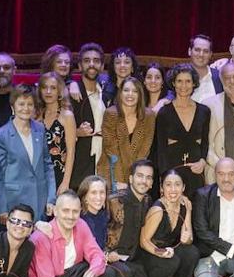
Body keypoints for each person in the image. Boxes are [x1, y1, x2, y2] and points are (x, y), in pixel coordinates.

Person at [104, 160, 167, 277]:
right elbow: (97, 231)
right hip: (112, 259)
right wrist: (105, 254)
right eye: (139, 176)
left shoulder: (147, 201)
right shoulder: (114, 201)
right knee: (124, 271)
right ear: (131, 178)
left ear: (152, 182)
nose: (143, 181)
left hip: (133, 261)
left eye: (148, 177)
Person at [0, 85, 56, 225]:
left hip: (40, 198)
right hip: (15, 201)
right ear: (12, 106)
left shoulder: (40, 129)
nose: (26, 108)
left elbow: (47, 165)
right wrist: (1, 208)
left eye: (30, 104)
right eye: (21, 104)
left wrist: (51, 198)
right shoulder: (2, 135)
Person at [139, 167, 200, 277]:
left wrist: (189, 211)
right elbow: (143, 241)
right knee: (172, 261)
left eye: (177, 184)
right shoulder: (157, 210)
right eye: (168, 185)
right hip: (151, 252)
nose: (173, 189)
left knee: (191, 252)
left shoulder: (184, 206)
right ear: (161, 188)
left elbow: (188, 239)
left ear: (183, 187)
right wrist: (159, 252)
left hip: (170, 251)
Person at [152, 63, 211, 200]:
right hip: (172, 174)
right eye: (179, 81)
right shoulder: (164, 112)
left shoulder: (204, 111)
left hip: (196, 173)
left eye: (188, 81)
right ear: (173, 83)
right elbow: (161, 149)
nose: (183, 86)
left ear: (194, 84)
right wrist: (165, 178)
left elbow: (205, 141)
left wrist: (202, 161)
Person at [102, 75, 156, 189]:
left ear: (140, 94)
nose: (130, 94)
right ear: (120, 93)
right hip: (111, 171)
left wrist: (133, 180)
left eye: (135, 91)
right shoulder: (111, 114)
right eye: (126, 90)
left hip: (138, 176)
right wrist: (120, 182)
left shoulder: (149, 116)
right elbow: (112, 151)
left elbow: (144, 150)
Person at [70, 43, 111, 189]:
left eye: (96, 61)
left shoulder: (106, 95)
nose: (92, 64)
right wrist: (76, 132)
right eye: (87, 61)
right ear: (80, 66)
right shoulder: (71, 93)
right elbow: (56, 128)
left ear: (101, 66)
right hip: (79, 161)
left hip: (103, 158)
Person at [35, 71, 77, 193]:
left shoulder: (67, 116)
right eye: (44, 87)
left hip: (59, 176)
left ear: (59, 91)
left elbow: (71, 152)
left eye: (53, 88)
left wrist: (65, 182)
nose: (48, 92)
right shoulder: (36, 116)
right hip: (39, 176)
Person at [187, 34, 223, 103]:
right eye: (197, 50)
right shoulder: (178, 75)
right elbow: (169, 94)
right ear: (189, 51)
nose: (201, 55)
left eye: (206, 51)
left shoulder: (220, 77)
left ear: (210, 54)